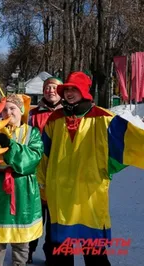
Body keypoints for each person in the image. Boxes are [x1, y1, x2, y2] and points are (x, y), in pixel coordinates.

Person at [38, 72, 144, 266]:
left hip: (90, 194)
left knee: (95, 254)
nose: (69, 93)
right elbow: (44, 154)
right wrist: (42, 182)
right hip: (60, 194)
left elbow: (133, 142)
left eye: (73, 89)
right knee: (61, 253)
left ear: (84, 91)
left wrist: (107, 167)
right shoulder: (55, 120)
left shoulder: (103, 118)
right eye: (67, 89)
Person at [0, 94, 44, 266]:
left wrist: (10, 145)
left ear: (21, 111)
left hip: (23, 192)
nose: (8, 112)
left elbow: (31, 160)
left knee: (21, 243)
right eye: (4, 109)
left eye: (13, 108)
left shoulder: (33, 133)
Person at [27, 77, 63, 264]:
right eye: (48, 87)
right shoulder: (33, 114)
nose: (51, 90)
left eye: (55, 87)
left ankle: (53, 254)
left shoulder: (67, 113)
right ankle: (28, 251)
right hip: (36, 171)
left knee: (55, 218)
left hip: (59, 171)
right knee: (35, 214)